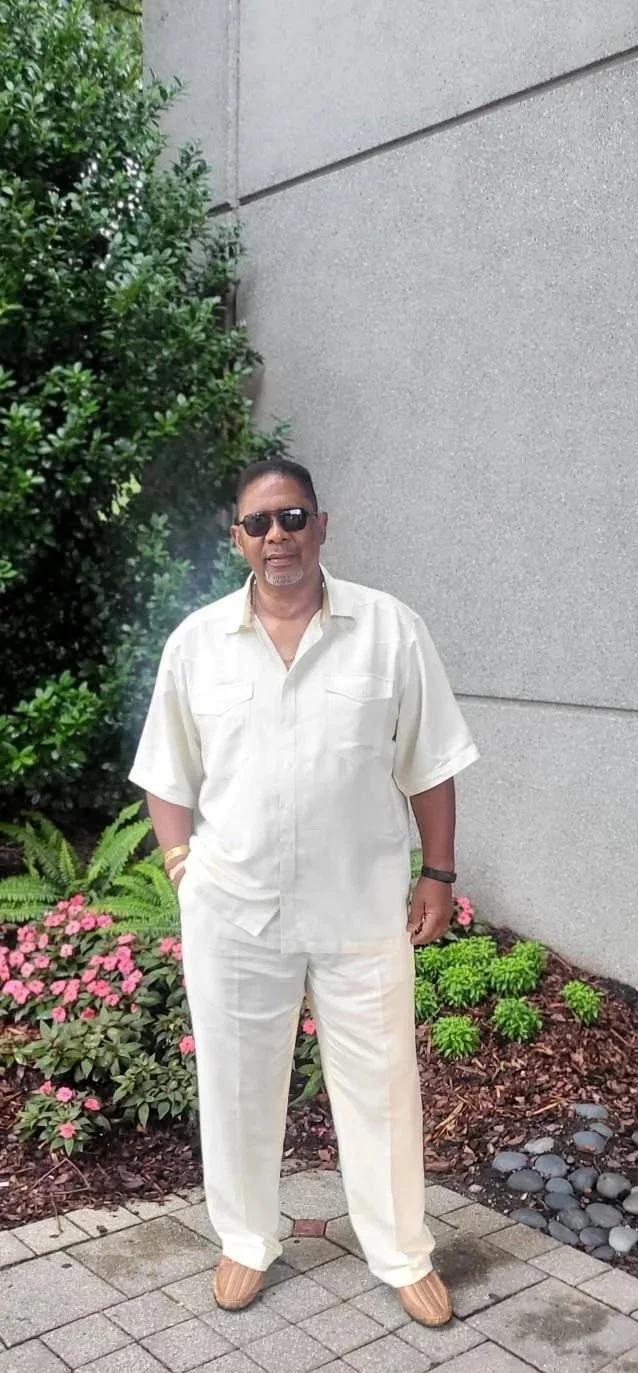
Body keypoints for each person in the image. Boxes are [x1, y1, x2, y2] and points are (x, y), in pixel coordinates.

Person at [129, 456, 479, 1327]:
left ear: (324, 523)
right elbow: (166, 772)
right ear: (236, 536)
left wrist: (439, 869)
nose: (277, 535)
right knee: (240, 1084)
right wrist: (183, 868)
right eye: (259, 523)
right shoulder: (196, 644)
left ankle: (401, 1251)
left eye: (293, 517)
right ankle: (245, 1241)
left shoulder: (390, 629)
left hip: (359, 908)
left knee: (382, 1083)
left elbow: (430, 762)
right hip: (235, 912)